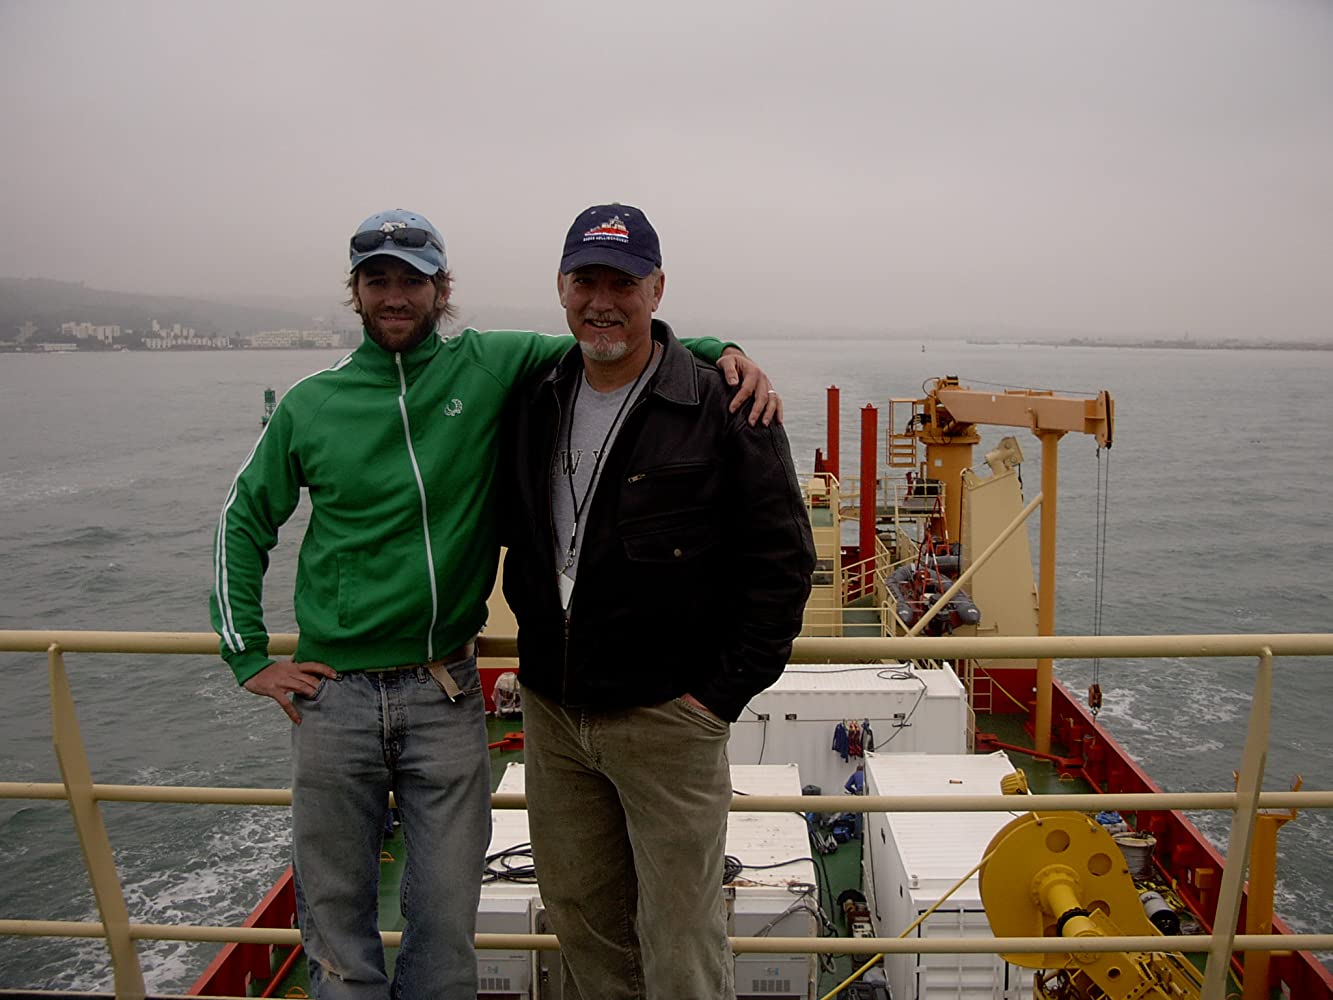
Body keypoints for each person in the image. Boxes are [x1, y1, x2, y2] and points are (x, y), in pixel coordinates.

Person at [209, 207, 778, 1000]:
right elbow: (243, 520)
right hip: (334, 696)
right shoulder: (313, 402)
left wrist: (725, 351)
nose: (396, 295)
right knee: (334, 917)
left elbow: (621, 338)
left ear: (441, 289)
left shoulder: (488, 364)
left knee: (449, 918)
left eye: (413, 279)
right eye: (378, 280)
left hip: (443, 692)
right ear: (356, 292)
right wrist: (246, 656)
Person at [501, 203, 815, 999]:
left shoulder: (724, 404)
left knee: (680, 936)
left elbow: (782, 566)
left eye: (623, 283)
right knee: (581, 917)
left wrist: (714, 700)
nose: (602, 301)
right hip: (553, 714)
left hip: (669, 719)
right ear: (561, 287)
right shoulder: (532, 394)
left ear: (657, 289)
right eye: (586, 281)